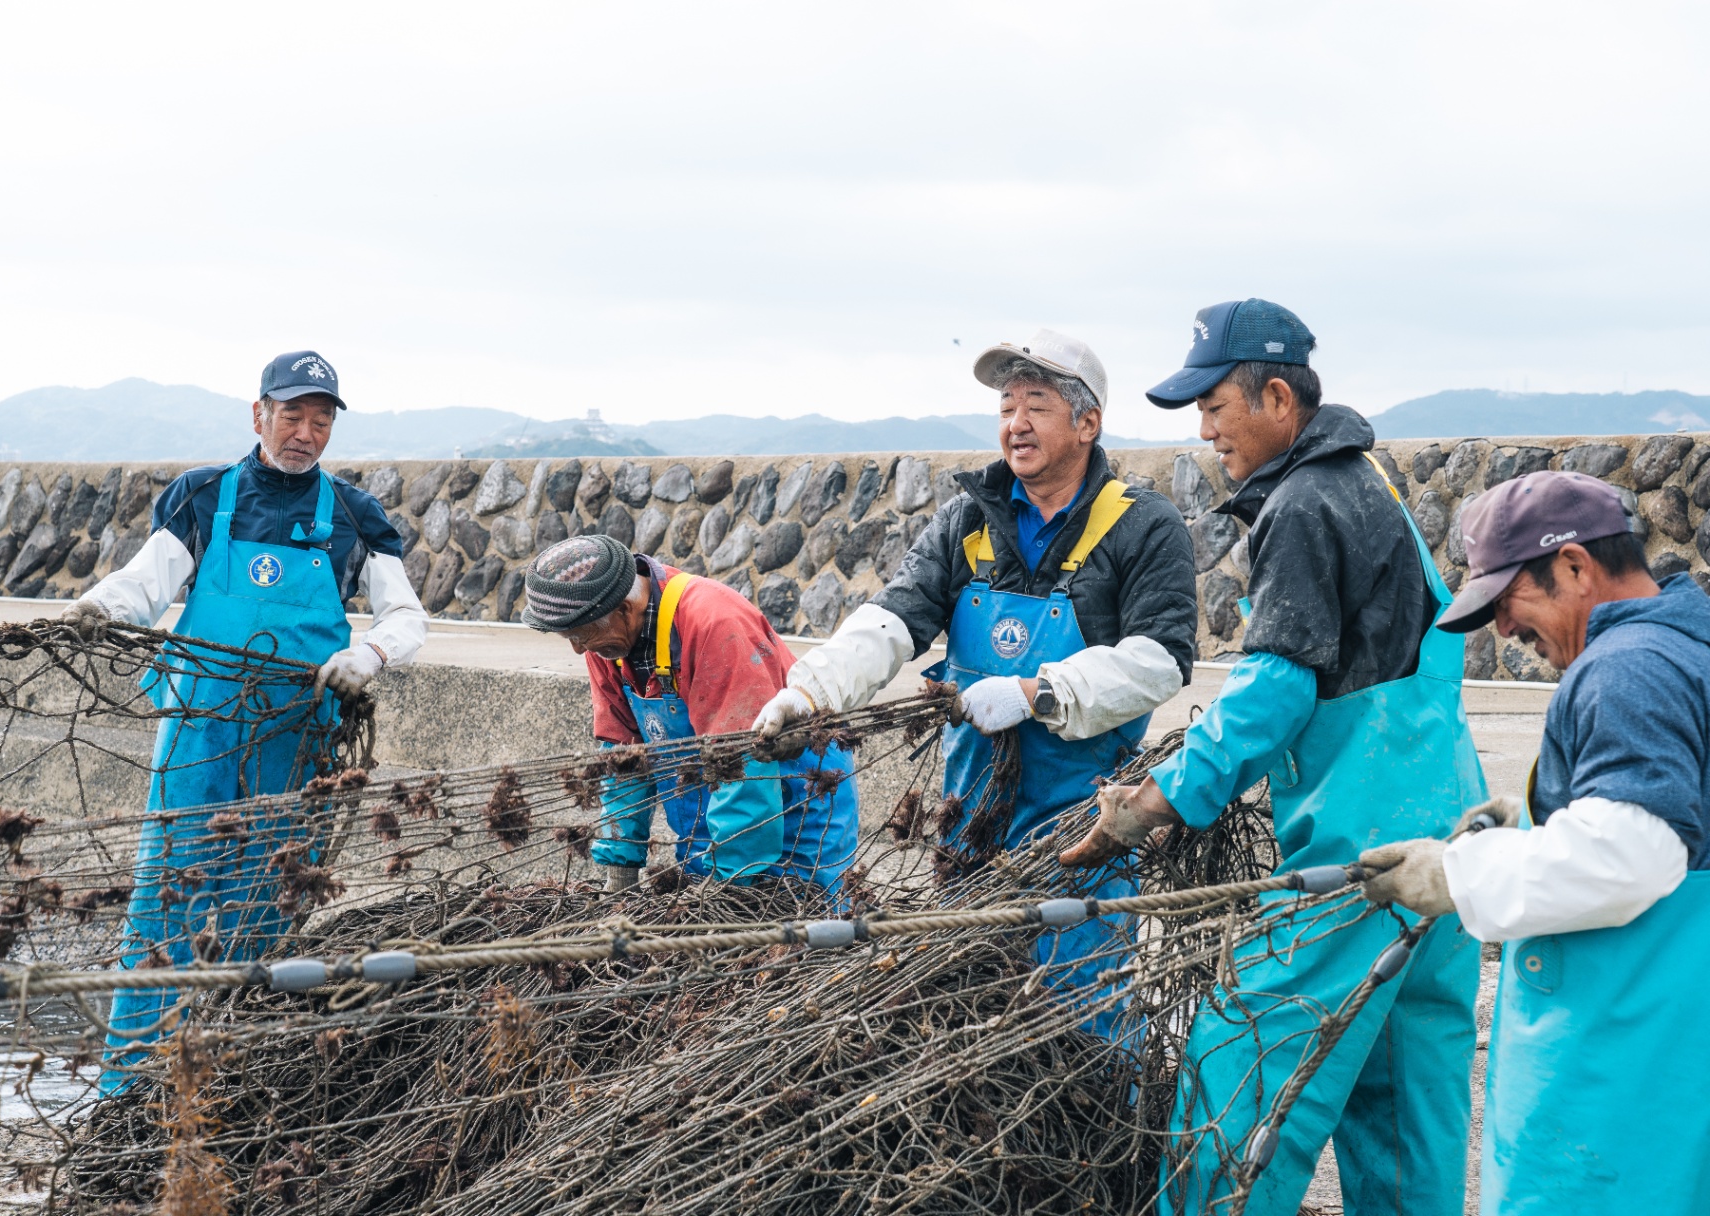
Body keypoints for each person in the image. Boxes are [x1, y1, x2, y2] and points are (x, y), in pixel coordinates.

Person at [1058, 300, 1485, 1216]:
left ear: (1279, 397)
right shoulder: (1373, 484)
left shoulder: (1300, 503)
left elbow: (1276, 690)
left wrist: (1158, 799)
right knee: (1406, 1102)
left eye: (1214, 405)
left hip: (1358, 856)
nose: (1204, 429)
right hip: (1446, 846)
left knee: (1237, 1066)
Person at [753, 328, 1197, 1033]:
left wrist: (1036, 693)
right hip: (968, 826)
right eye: (1005, 406)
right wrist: (811, 690)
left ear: (1088, 423)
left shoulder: (1142, 526)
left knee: (1081, 1019)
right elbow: (896, 617)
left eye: (1037, 405)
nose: (1015, 424)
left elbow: (1162, 659)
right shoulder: (969, 519)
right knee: (965, 1016)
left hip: (1080, 829)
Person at [60, 350, 427, 1091]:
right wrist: (102, 608)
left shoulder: (355, 516)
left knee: (272, 896)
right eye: (293, 414)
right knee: (169, 891)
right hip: (201, 726)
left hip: (299, 739)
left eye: (322, 421)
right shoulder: (204, 496)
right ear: (258, 413)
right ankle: (130, 1085)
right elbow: (146, 585)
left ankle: (244, 1073)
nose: (306, 432)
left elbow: (405, 614)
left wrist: (370, 655)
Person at [1360, 469, 1709, 1215]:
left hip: (1613, 1074)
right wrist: (1533, 827)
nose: (1504, 630)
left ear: (1575, 566)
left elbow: (1629, 856)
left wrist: (1457, 874)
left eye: (1507, 599)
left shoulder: (1627, 670)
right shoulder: (1684, 647)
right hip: (1670, 1056)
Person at [523, 534, 858, 895]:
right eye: (567, 637)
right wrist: (619, 876)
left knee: (793, 933)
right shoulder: (605, 641)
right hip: (704, 823)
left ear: (622, 607)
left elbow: (744, 765)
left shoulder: (713, 622)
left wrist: (727, 888)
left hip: (797, 808)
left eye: (579, 635)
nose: (577, 649)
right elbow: (623, 765)